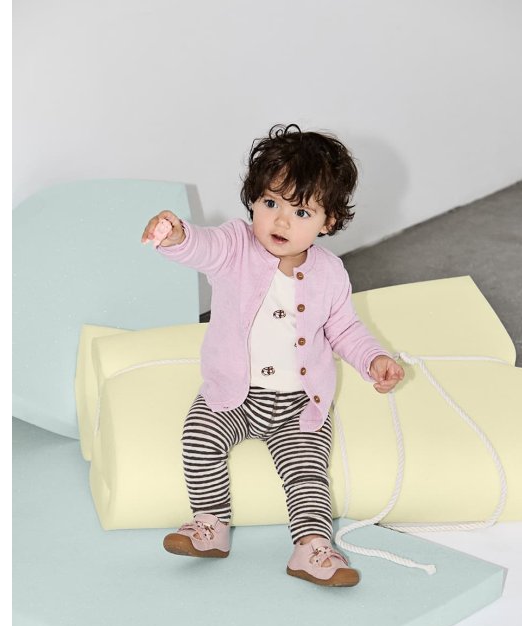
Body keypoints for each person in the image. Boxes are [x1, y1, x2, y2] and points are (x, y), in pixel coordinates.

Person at [140, 123, 404, 588]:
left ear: (328, 222)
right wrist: (177, 235)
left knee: (307, 474)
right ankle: (210, 524)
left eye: (301, 211)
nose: (281, 222)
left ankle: (312, 547)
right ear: (252, 201)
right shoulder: (235, 246)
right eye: (270, 204)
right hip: (234, 394)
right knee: (199, 436)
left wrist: (371, 360)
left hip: (300, 404)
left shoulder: (330, 273)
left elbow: (344, 328)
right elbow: (201, 247)